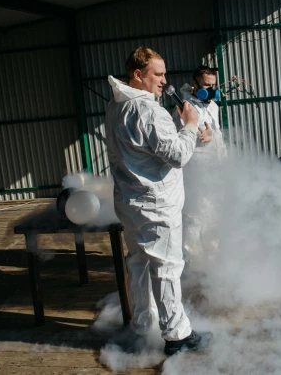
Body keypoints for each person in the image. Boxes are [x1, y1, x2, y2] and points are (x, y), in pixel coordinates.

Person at [105, 47, 210, 355]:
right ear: (138, 75)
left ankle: (142, 326)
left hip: (129, 201)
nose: (164, 80)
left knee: (138, 263)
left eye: (164, 73)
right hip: (156, 204)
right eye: (158, 74)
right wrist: (190, 125)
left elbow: (150, 146)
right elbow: (177, 156)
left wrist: (179, 128)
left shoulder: (116, 106)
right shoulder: (149, 111)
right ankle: (177, 336)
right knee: (167, 267)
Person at [173, 66, 227, 259]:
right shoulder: (184, 106)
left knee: (214, 214)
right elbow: (179, 136)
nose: (211, 90)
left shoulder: (213, 105)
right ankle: (192, 259)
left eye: (213, 85)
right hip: (195, 171)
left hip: (215, 170)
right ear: (195, 84)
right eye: (206, 85)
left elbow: (217, 137)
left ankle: (212, 257)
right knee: (194, 216)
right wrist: (199, 135)